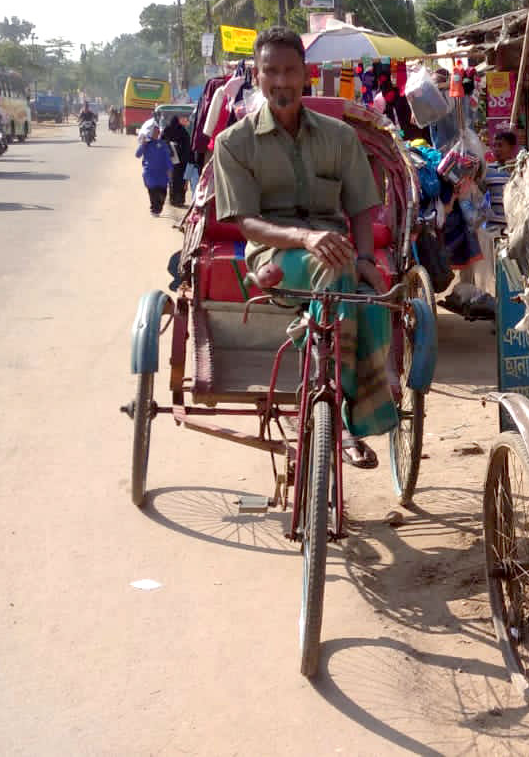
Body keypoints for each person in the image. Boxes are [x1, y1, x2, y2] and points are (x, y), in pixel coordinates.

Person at [210, 26, 395, 468]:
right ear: (256, 76)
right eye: (270, 71)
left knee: (375, 299)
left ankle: (346, 390)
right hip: (273, 257)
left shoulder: (339, 137)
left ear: (305, 74)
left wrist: (368, 258)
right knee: (332, 268)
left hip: (339, 253)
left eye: (289, 71)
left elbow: (361, 209)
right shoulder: (233, 144)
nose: (280, 81)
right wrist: (305, 238)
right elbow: (246, 221)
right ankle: (349, 420)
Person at [135, 125, 176, 216]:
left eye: (158, 132)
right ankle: (154, 210)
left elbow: (167, 158)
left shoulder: (163, 144)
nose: (156, 133)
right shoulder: (146, 144)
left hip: (162, 173)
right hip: (150, 172)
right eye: (154, 131)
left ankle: (158, 208)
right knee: (153, 191)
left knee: (163, 193)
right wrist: (143, 144)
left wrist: (170, 170)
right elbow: (137, 155)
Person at [163, 112, 194, 207]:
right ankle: (180, 200)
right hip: (181, 161)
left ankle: (173, 200)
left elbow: (162, 141)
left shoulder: (167, 129)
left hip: (171, 160)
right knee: (181, 180)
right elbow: (188, 146)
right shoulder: (183, 131)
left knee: (173, 180)